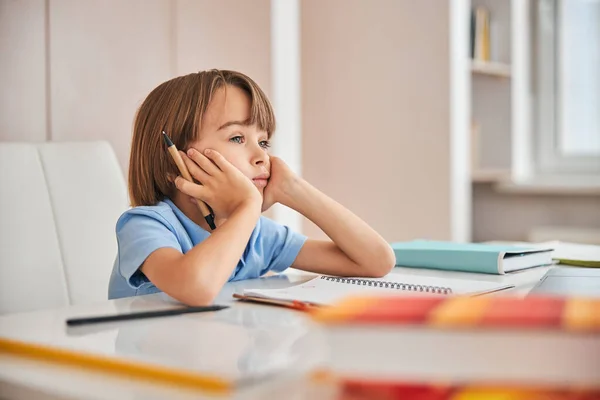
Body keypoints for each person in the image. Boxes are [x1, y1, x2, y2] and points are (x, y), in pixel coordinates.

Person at [108, 69, 395, 305]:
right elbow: (196, 288)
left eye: (264, 142)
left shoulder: (255, 235)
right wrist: (247, 207)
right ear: (175, 160)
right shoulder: (145, 226)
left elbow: (376, 261)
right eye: (236, 138)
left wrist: (294, 189)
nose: (262, 157)